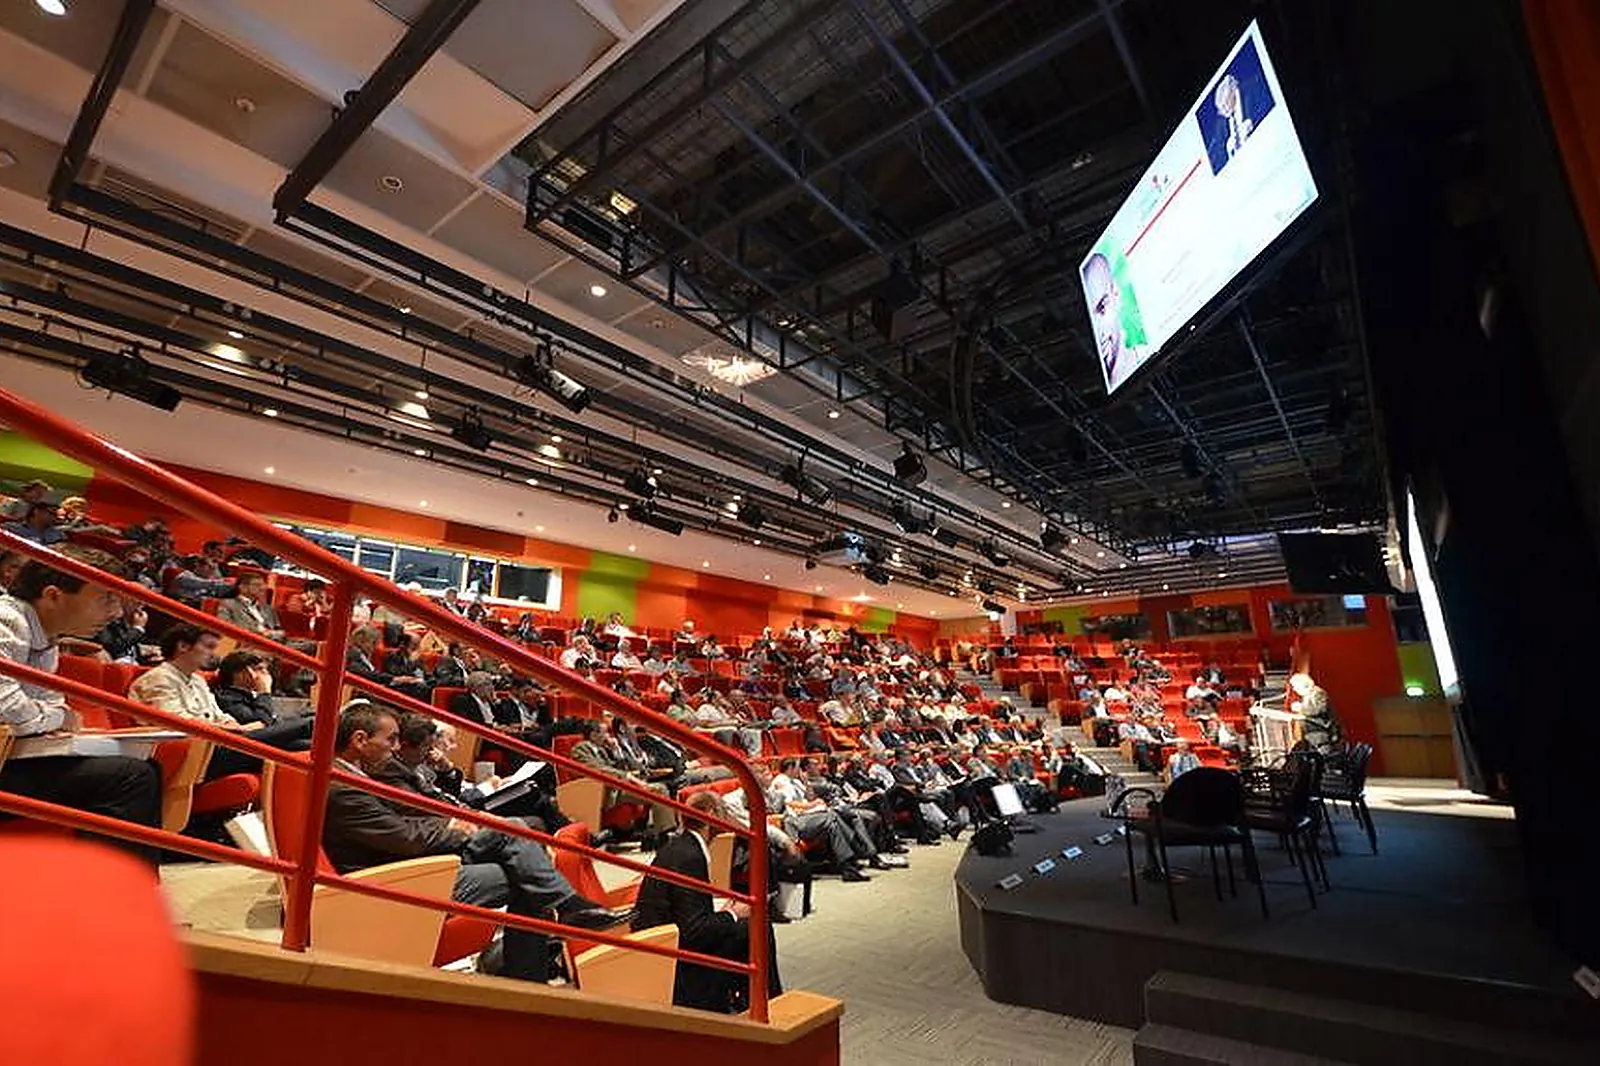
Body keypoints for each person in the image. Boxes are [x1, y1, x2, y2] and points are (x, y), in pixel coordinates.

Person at [322, 702, 629, 981]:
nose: (395, 747)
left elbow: (405, 824)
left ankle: (540, 951)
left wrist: (452, 822)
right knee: (523, 864)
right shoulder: (344, 788)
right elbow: (404, 837)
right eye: (390, 740)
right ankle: (538, 956)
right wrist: (456, 828)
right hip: (394, 881)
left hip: (413, 863)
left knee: (521, 851)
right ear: (360, 740)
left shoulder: (357, 775)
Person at [0, 548, 162, 860]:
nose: (116, 613)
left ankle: (127, 882)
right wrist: (57, 718)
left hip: (9, 756)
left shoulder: (47, 637)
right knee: (130, 776)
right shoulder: (7, 619)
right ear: (53, 595)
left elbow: (49, 705)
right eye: (106, 599)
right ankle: (111, 885)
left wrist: (53, 717)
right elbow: (10, 709)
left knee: (146, 766)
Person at [632, 790, 782, 1013]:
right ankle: (770, 1005)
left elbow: (688, 915)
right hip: (675, 962)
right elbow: (694, 932)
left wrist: (723, 914)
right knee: (755, 927)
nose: (727, 818)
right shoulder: (690, 857)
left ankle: (751, 1002)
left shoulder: (682, 846)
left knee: (745, 928)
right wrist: (733, 914)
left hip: (667, 944)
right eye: (723, 811)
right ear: (711, 814)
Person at [128, 624, 262, 779]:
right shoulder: (158, 679)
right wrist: (235, 730)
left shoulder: (198, 680)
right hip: (188, 755)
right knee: (284, 734)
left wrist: (234, 726)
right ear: (183, 646)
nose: (214, 654)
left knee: (285, 741)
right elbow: (176, 723)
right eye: (209, 647)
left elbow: (219, 715)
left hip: (215, 744)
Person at [569, 718, 677, 841]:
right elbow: (598, 770)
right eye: (605, 732)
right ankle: (665, 835)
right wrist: (628, 777)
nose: (608, 736)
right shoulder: (580, 749)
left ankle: (661, 833)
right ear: (593, 735)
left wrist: (617, 752)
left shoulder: (602, 750)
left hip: (615, 788)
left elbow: (620, 769)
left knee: (659, 788)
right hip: (600, 793)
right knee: (658, 790)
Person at [211, 650, 314, 752]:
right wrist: (264, 692)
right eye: (259, 669)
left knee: (312, 718)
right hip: (252, 743)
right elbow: (259, 723)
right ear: (241, 674)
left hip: (274, 732)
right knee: (312, 724)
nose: (266, 674)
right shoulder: (227, 697)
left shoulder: (250, 694)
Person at [1081, 249, 1149, 391]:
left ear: (1116, 294)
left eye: (1102, 307)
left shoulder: (1150, 353)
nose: (1097, 327)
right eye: (1090, 318)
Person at [214, 571, 285, 641]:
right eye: (257, 585)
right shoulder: (228, 604)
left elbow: (280, 632)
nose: (262, 588)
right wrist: (260, 632)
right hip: (247, 643)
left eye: (263, 585)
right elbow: (226, 628)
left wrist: (272, 634)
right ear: (242, 587)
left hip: (273, 643)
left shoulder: (267, 608)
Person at [1289, 672, 1342, 755]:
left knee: (1323, 756)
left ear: (1304, 684)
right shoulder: (1307, 695)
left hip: (1321, 733)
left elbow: (1320, 709)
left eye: (1295, 686)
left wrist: (1301, 708)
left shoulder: (1318, 693)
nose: (1294, 689)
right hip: (1312, 733)